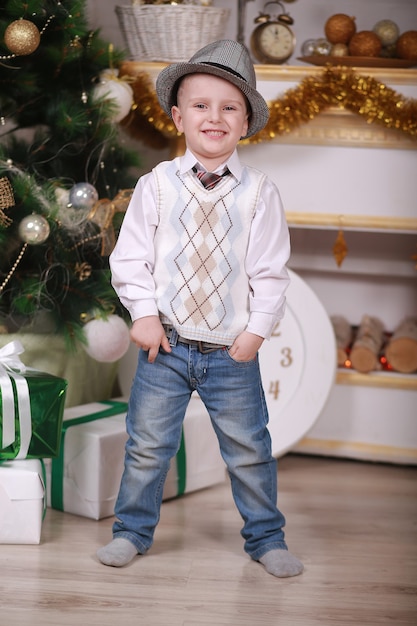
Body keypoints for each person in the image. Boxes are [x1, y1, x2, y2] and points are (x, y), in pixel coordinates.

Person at [97, 39, 303, 578]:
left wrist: (257, 331)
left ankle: (265, 538)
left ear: (245, 121)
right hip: (164, 347)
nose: (215, 116)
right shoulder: (156, 186)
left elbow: (269, 271)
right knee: (146, 447)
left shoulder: (260, 193)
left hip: (230, 352)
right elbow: (131, 257)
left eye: (229, 106)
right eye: (201, 105)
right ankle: (132, 532)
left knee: (249, 449)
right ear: (178, 116)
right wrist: (142, 314)